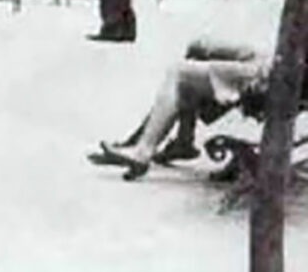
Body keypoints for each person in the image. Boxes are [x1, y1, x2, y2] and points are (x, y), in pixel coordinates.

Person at [88, 37, 270, 180]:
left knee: (179, 73)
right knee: (198, 45)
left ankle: (142, 150)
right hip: (273, 62)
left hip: (268, 72)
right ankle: (181, 141)